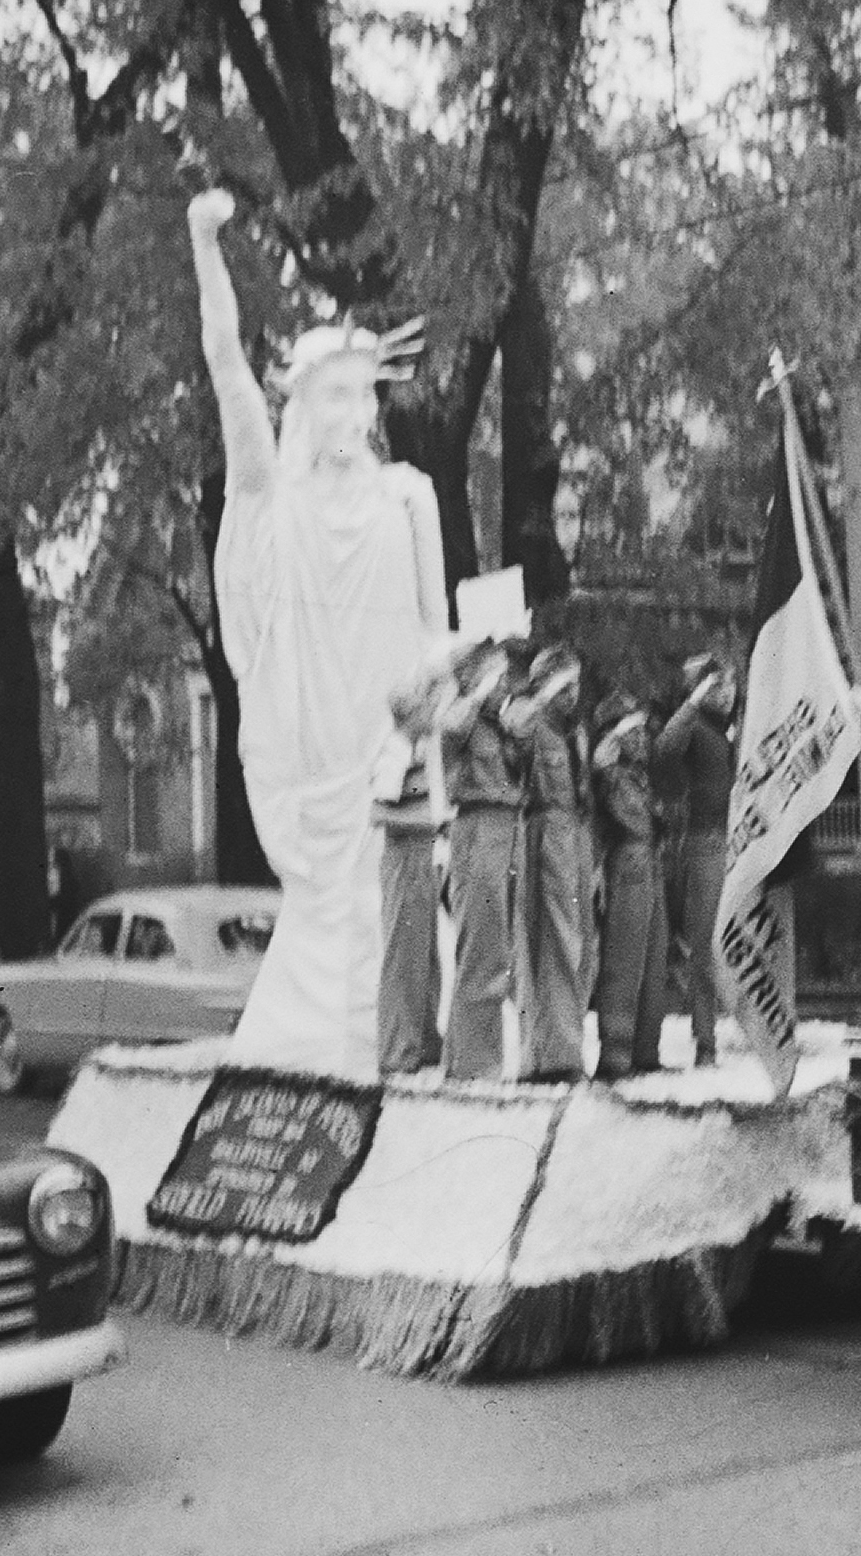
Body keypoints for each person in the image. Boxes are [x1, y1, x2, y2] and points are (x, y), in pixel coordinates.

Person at [187, 188, 449, 1073]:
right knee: (328, 926)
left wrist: (450, 679)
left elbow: (434, 632)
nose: (352, 414)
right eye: (333, 396)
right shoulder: (276, 500)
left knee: (400, 916)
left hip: (389, 753)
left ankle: (409, 1034)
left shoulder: (409, 497)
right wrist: (205, 243)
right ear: (303, 404)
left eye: (362, 395)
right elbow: (226, 365)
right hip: (315, 757)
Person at [438, 642, 525, 1080]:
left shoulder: (496, 724)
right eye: (498, 676)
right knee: (482, 949)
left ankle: (462, 1059)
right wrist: (478, 691)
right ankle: (478, 1065)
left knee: (495, 948)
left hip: (506, 828)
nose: (505, 684)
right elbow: (450, 727)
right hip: (478, 827)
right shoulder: (462, 717)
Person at [508, 645, 594, 1082]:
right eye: (563, 685)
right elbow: (513, 725)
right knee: (552, 942)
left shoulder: (574, 732)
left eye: (575, 684)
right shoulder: (533, 722)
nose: (571, 694)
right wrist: (539, 695)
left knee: (579, 944)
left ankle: (565, 1047)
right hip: (544, 833)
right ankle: (551, 1055)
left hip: (575, 834)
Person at [653, 653, 735, 1065]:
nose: (728, 693)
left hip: (738, 843)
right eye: (719, 686)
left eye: (731, 684)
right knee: (704, 946)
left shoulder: (729, 732)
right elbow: (665, 749)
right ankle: (706, 1041)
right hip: (705, 843)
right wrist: (693, 703)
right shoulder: (694, 728)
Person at [591, 692, 671, 1078]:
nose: (642, 738)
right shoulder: (611, 777)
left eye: (642, 731)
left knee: (653, 959)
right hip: (628, 862)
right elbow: (631, 821)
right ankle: (616, 1054)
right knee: (625, 959)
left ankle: (645, 1049)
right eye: (631, 731)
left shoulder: (637, 776)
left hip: (648, 860)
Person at [371, 670, 447, 1074]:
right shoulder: (395, 749)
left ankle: (424, 1041)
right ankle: (397, 1051)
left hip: (423, 855)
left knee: (427, 954)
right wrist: (428, 819)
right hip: (403, 857)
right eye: (427, 708)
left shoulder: (420, 749)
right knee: (403, 954)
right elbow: (379, 811)